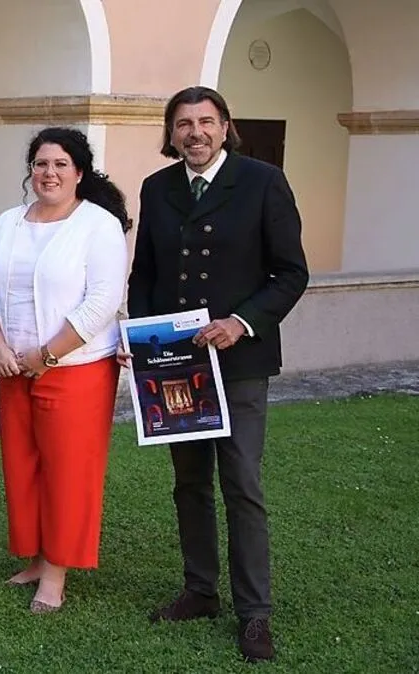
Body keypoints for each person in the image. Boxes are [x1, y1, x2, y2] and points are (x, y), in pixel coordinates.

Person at [125, 86, 309, 662]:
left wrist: (242, 322)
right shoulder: (157, 189)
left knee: (242, 485)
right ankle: (200, 591)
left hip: (240, 362)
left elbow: (290, 273)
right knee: (189, 483)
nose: (194, 133)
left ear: (225, 126)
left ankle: (255, 614)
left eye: (206, 122)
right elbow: (145, 275)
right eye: (183, 124)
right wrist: (147, 340)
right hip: (177, 364)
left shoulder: (262, 182)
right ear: (171, 133)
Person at [0, 127, 130, 613]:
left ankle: (57, 574)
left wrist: (48, 355)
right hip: (12, 368)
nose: (49, 173)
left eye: (61, 164)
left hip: (76, 369)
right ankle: (38, 557)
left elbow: (102, 301)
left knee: (67, 472)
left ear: (79, 173)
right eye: (41, 164)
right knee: (24, 467)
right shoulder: (8, 222)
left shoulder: (97, 225)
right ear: (31, 171)